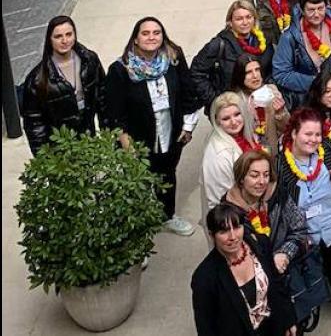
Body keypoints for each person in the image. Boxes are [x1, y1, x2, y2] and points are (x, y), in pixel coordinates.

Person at [103, 17, 200, 236]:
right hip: (138, 135)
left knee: (167, 173)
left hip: (168, 130)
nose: (151, 37)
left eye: (156, 33)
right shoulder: (120, 70)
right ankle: (140, 234)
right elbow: (114, 111)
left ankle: (167, 216)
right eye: (145, 33)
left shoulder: (173, 60)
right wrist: (125, 142)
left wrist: (187, 127)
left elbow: (188, 92)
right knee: (139, 181)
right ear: (135, 39)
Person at [275, 108, 331, 335]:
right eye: (308, 134)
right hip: (305, 237)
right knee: (311, 275)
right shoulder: (280, 165)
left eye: (318, 134)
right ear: (293, 133)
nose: (314, 140)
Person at [223, 150, 324, 333]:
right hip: (260, 290)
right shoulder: (229, 214)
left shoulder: (278, 195)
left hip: (289, 276)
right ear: (241, 178)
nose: (262, 181)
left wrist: (285, 253)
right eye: (254, 175)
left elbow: (300, 230)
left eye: (266, 175)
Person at [192, 203, 298, 336]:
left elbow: (277, 285)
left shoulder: (260, 245)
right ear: (212, 235)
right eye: (223, 231)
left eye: (236, 227)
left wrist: (289, 319)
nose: (232, 237)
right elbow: (206, 327)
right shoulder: (204, 277)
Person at [19, 15, 106, 154]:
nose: (65, 40)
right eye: (58, 36)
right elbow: (34, 123)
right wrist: (44, 158)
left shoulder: (90, 60)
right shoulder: (37, 79)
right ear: (50, 39)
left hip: (89, 138)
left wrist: (108, 133)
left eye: (69, 34)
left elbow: (103, 96)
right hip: (59, 148)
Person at [190, 0, 276, 110]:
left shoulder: (264, 41)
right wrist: (215, 100)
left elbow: (271, 70)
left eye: (249, 17)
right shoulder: (218, 44)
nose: (245, 22)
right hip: (231, 108)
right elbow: (196, 72)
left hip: (261, 103)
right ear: (230, 22)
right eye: (239, 19)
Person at [272, 0, 331, 108]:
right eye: (311, 10)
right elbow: (281, 74)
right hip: (308, 99)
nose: (316, 14)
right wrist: (317, 82)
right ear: (302, 10)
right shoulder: (290, 37)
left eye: (321, 9)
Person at [201, 91, 265, 223]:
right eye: (226, 118)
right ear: (217, 121)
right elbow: (220, 198)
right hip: (234, 218)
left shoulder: (246, 135)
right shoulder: (218, 155)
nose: (234, 122)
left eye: (237, 114)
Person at [227, 58, 289, 165]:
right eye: (249, 72)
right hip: (249, 159)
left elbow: (287, 128)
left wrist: (280, 112)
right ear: (240, 76)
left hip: (275, 155)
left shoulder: (271, 90)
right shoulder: (235, 100)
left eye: (257, 70)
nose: (255, 75)